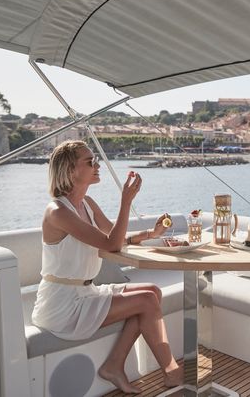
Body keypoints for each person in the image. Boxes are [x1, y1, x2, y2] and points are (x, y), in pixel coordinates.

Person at [31, 140, 182, 394]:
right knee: (146, 300)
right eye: (90, 162)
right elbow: (111, 244)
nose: (96, 165)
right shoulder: (57, 211)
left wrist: (151, 232)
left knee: (152, 292)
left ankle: (114, 365)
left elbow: (114, 237)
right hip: (63, 304)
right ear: (70, 170)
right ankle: (171, 369)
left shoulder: (87, 204)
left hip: (86, 293)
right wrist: (125, 201)